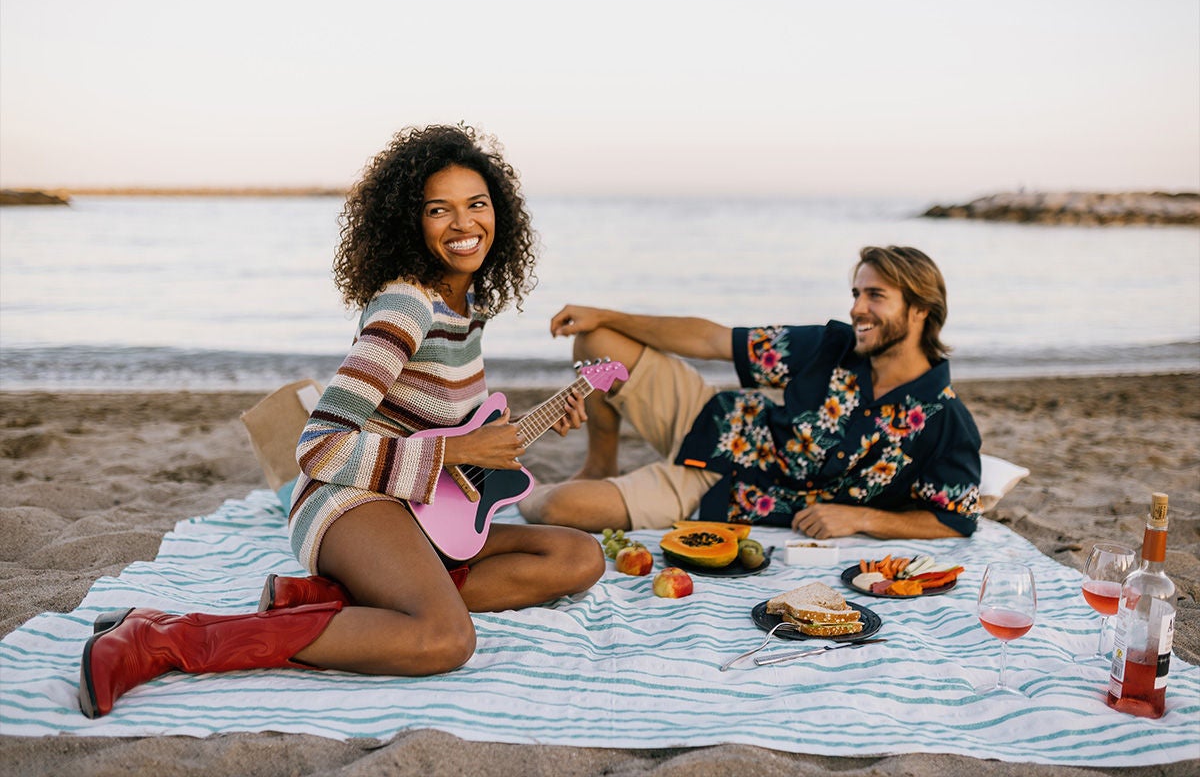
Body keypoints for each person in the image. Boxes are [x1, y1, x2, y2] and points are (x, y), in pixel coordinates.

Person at [78, 124, 605, 719]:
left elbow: (446, 430)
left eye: (476, 204)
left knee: (580, 558)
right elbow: (320, 446)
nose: (464, 224)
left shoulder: (470, 306)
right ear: (411, 221)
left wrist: (512, 435)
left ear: (499, 212)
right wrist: (459, 455)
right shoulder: (407, 306)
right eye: (440, 210)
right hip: (349, 500)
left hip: (426, 510)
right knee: (444, 638)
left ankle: (329, 602)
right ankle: (166, 638)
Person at [519, 245, 981, 540]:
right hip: (707, 418)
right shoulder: (831, 345)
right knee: (597, 343)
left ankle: (513, 489)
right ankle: (601, 464)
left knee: (554, 507)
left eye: (875, 296)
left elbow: (955, 518)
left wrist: (860, 518)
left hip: (718, 491)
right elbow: (713, 341)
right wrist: (603, 314)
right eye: (856, 293)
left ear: (920, 310)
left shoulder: (945, 421)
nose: (856, 307)